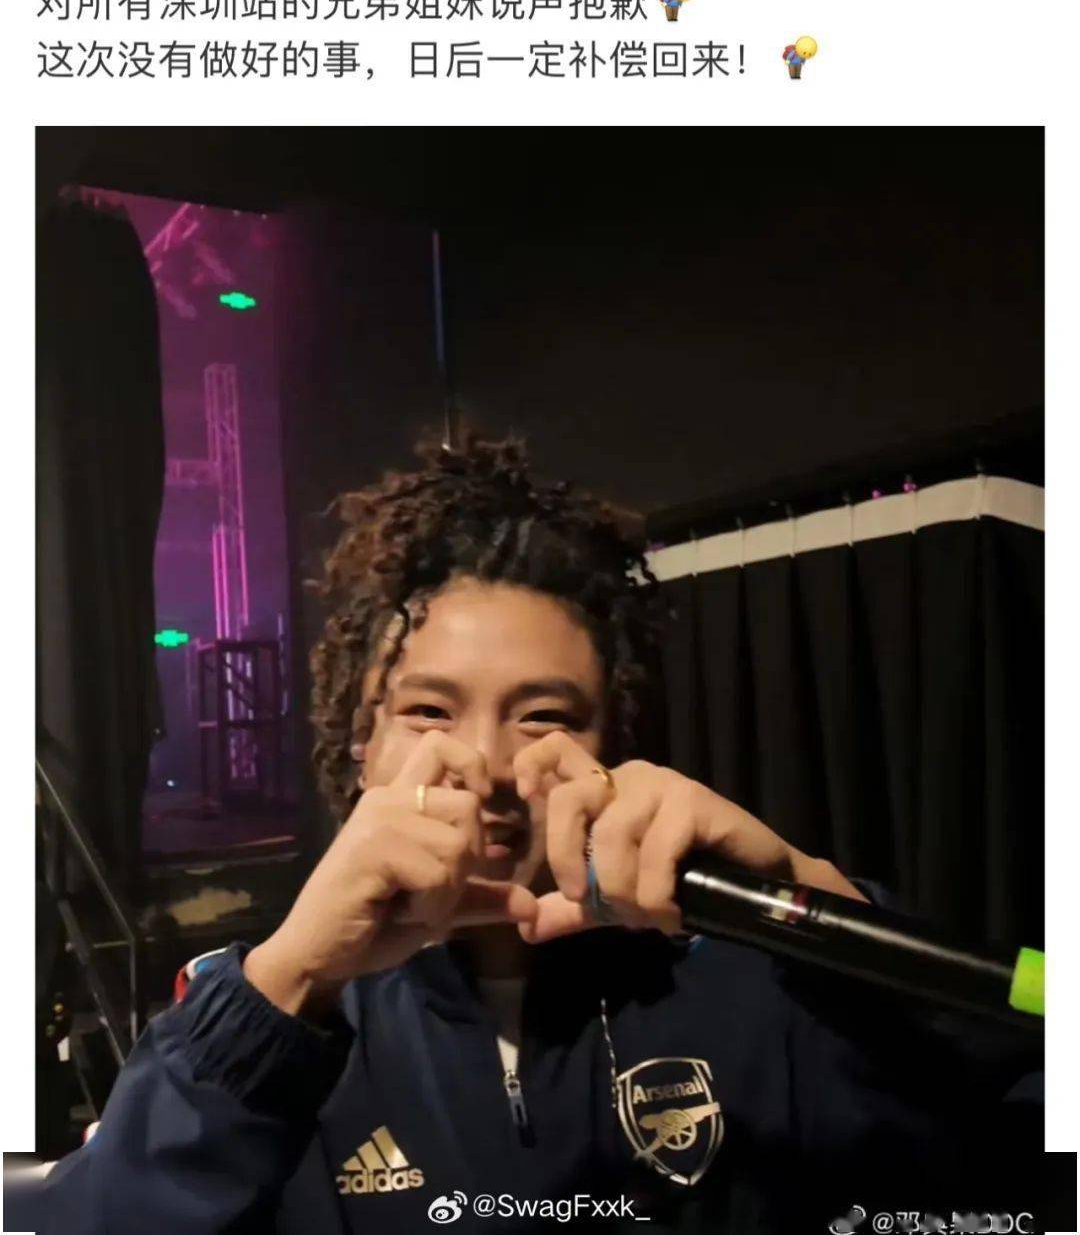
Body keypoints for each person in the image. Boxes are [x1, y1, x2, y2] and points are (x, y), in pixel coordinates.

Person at [8, 435, 1042, 1233]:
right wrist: (280, 991)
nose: (488, 765)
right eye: (427, 711)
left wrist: (812, 906)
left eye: (544, 717)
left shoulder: (743, 988)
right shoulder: (269, 1023)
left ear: (611, 750)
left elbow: (1028, 1120)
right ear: (359, 748)